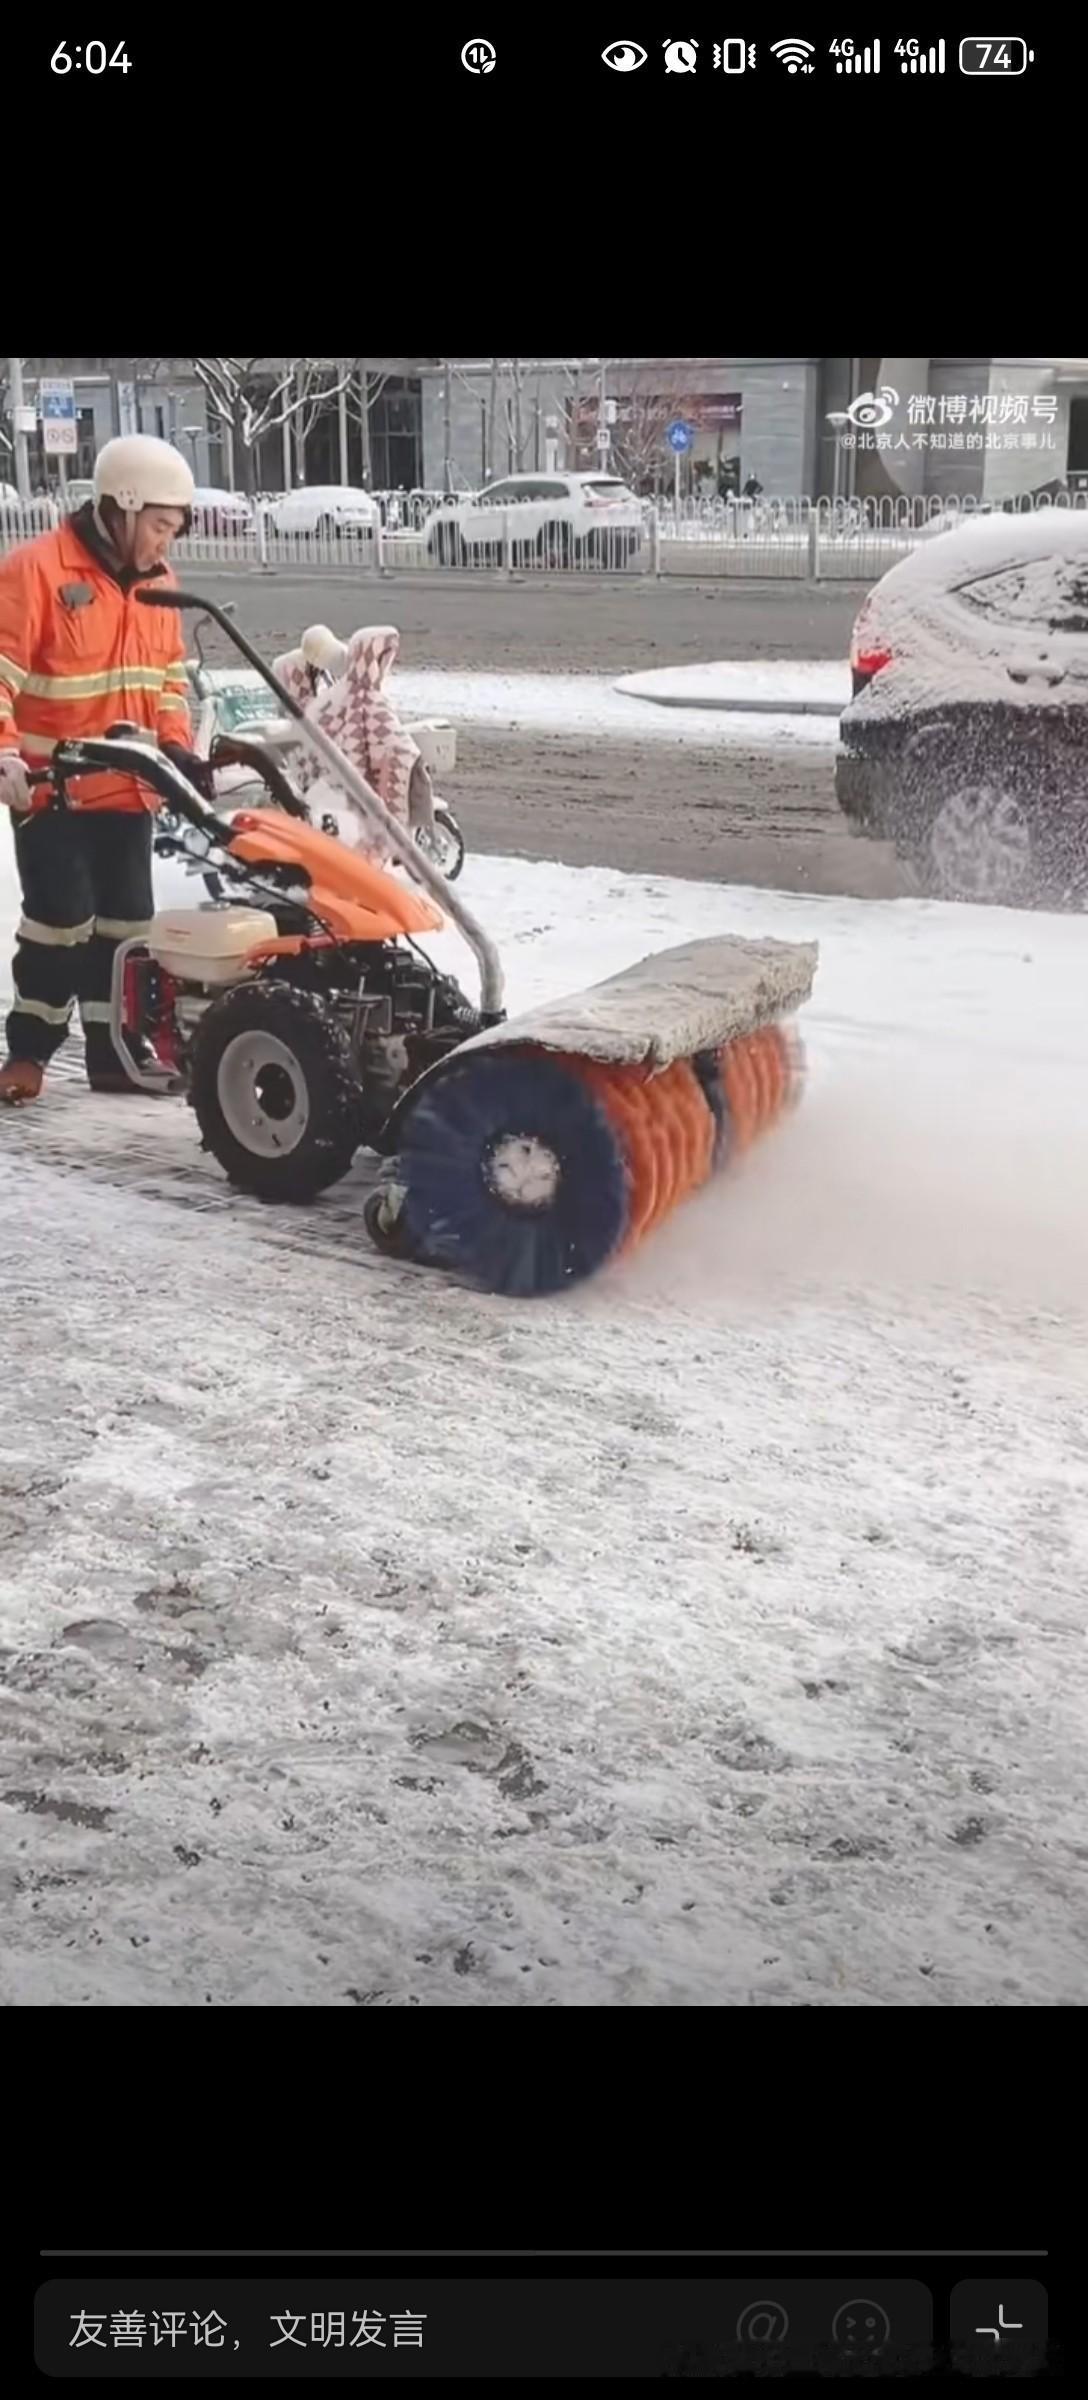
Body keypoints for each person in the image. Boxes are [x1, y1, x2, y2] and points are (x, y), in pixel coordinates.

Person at [0, 433, 209, 1104]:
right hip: (50, 789)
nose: (163, 545)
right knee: (60, 921)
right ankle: (29, 1050)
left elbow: (169, 681)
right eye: (157, 527)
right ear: (120, 509)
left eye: (172, 531)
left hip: (128, 789)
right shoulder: (35, 572)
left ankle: (112, 1052)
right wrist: (4, 752)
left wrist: (175, 746)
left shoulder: (161, 588)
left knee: (127, 928)